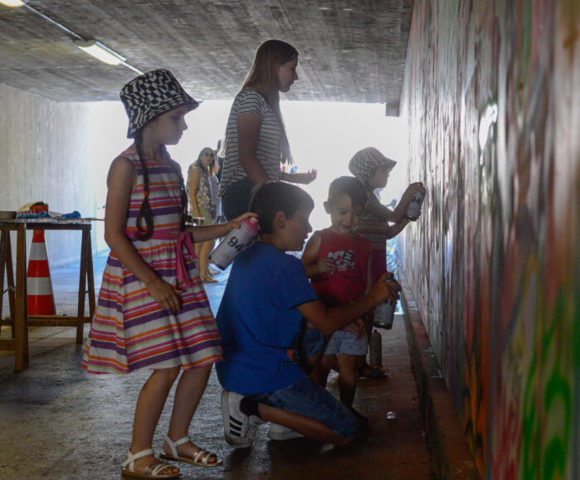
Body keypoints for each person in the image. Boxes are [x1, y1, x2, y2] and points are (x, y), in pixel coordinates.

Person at [81, 69, 256, 479]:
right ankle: (137, 454)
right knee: (168, 365)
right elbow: (113, 235)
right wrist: (154, 282)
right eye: (177, 117)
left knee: (203, 354)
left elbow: (179, 232)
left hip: (177, 273)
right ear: (149, 118)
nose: (184, 126)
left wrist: (229, 227)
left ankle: (176, 439)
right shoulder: (125, 167)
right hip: (144, 277)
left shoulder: (173, 167)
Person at [215, 181, 399, 449]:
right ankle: (250, 408)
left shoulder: (250, 254)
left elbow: (312, 319)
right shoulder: (286, 266)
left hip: (234, 367)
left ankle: (282, 418)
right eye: (304, 220)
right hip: (262, 375)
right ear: (281, 219)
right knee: (348, 429)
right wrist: (373, 298)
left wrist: (340, 322)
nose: (309, 228)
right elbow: (325, 322)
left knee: (319, 331)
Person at [219, 39, 317, 221]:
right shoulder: (251, 98)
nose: (296, 76)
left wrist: (293, 178)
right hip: (245, 193)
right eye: (292, 68)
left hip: (251, 190)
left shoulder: (261, 101)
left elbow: (260, 164)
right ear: (274, 66)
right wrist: (274, 196)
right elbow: (247, 158)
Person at [348, 147, 426, 376]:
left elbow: (388, 232)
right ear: (369, 173)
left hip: (376, 259)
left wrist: (408, 220)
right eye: (383, 170)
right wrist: (408, 193)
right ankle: (357, 362)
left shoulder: (372, 197)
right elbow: (392, 216)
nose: (388, 174)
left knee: (369, 311)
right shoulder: (364, 196)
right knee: (365, 311)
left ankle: (359, 361)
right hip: (368, 263)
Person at [301, 176, 372, 422]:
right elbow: (299, 271)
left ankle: (346, 410)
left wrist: (364, 315)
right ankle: (320, 412)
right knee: (321, 364)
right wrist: (317, 268)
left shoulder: (365, 245)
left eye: (356, 214)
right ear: (327, 208)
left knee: (348, 367)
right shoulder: (320, 238)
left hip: (353, 316)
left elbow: (368, 283)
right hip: (325, 316)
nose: (349, 220)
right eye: (343, 212)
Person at [187, 146, 221, 282]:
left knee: (200, 244)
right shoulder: (196, 170)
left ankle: (200, 273)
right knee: (209, 240)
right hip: (200, 210)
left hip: (204, 209)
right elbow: (192, 193)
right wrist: (197, 212)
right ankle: (202, 274)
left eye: (211, 155)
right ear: (200, 155)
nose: (209, 157)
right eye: (206, 154)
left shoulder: (204, 172)